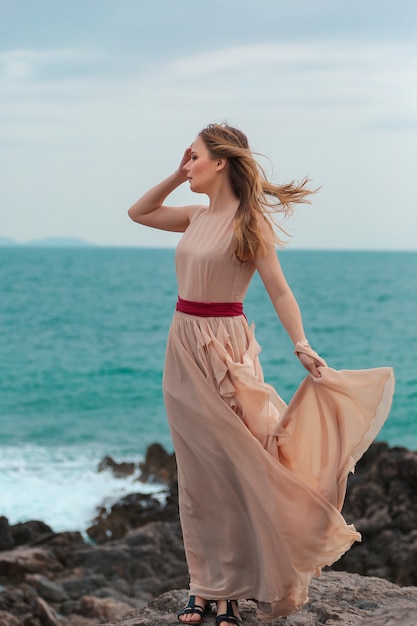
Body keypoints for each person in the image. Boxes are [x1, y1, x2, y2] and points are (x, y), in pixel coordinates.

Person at [127, 123, 394, 624]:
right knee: (198, 475)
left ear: (222, 162)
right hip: (181, 346)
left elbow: (280, 291)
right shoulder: (193, 216)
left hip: (225, 349)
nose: (190, 166)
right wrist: (173, 170)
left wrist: (302, 344)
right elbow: (138, 213)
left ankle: (233, 591)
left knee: (236, 468)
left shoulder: (250, 226)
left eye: (195, 157)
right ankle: (204, 587)